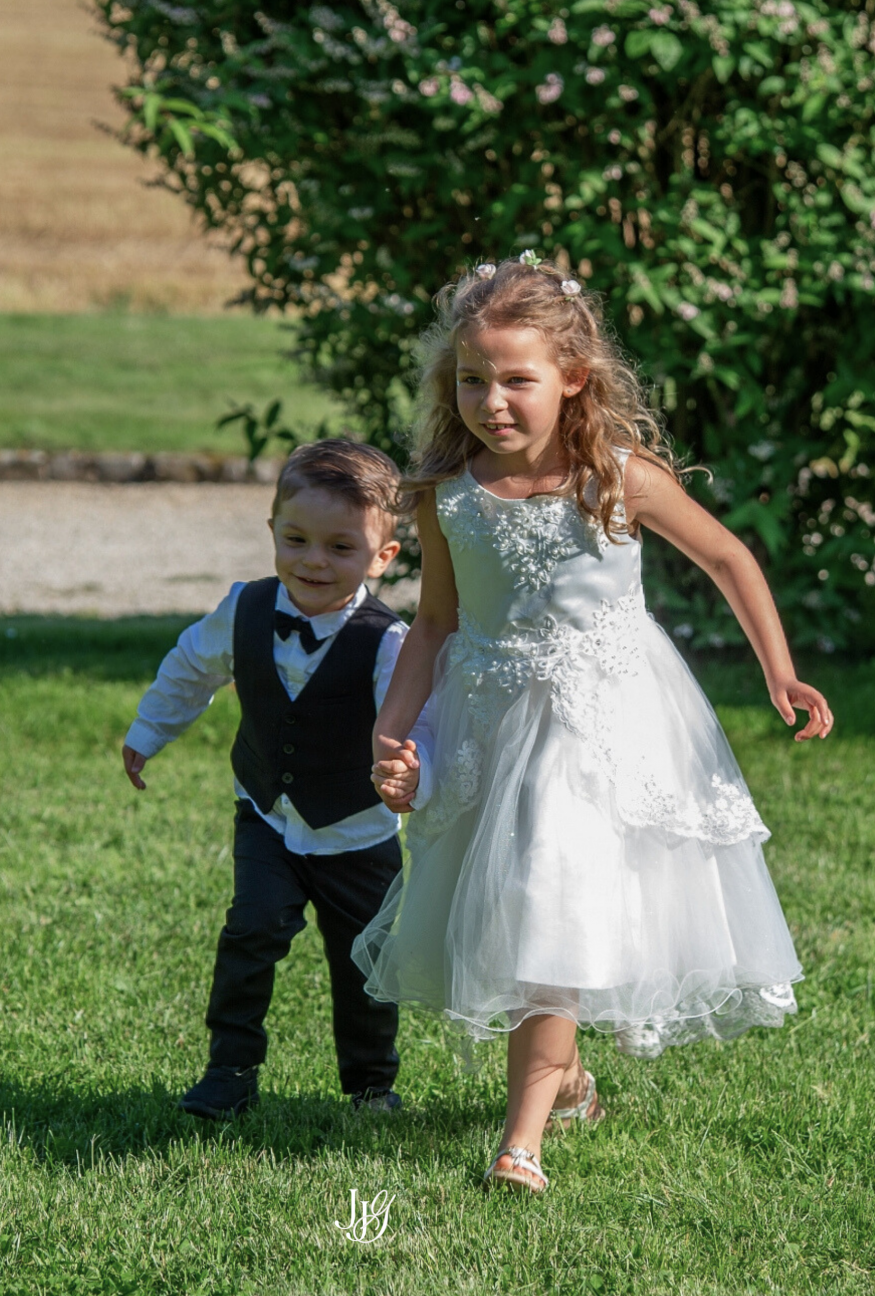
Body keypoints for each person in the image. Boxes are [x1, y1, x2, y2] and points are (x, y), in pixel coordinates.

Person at [352, 255, 834, 1195]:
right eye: (472, 380)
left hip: (606, 719)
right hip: (494, 715)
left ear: (572, 376)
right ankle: (565, 1076)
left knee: (548, 891)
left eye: (516, 380)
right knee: (509, 904)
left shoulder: (617, 476)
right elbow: (438, 623)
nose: (492, 400)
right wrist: (394, 728)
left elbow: (730, 558)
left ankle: (518, 1144)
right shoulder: (448, 494)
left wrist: (781, 672)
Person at [123, 439, 410, 1120]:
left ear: (383, 556)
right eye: (297, 539)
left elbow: (413, 724)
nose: (314, 559)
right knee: (251, 929)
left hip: (358, 832)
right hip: (268, 815)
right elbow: (191, 668)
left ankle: (370, 1084)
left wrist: (409, 771)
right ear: (273, 531)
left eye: (341, 547)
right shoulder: (245, 609)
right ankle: (230, 1068)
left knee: (366, 964)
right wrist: (147, 734)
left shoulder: (388, 642)